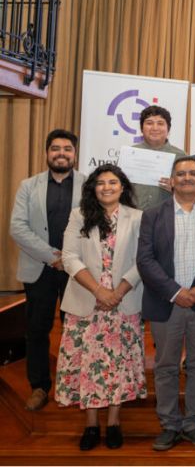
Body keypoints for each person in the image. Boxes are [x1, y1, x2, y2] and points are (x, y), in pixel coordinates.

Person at [56, 164, 146, 451]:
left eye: (113, 182)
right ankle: (91, 424)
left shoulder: (138, 217)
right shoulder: (79, 215)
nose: (107, 187)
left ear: (123, 187)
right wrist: (98, 291)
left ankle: (114, 422)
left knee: (118, 363)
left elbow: (143, 259)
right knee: (87, 363)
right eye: (101, 183)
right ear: (93, 188)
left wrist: (117, 292)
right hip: (87, 300)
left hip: (124, 300)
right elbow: (69, 257)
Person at [136, 156, 195, 451]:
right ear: (171, 181)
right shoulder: (152, 215)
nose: (187, 178)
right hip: (166, 302)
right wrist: (175, 292)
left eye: (193, 173)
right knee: (165, 366)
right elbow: (145, 260)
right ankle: (170, 424)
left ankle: (193, 423)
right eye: (181, 174)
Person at [10, 129, 85, 412]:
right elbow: (18, 227)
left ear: (75, 154)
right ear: (47, 153)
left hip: (77, 271)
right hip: (39, 268)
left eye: (67, 149)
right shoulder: (28, 186)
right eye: (55, 148)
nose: (61, 153)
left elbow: (94, 226)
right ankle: (39, 387)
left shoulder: (88, 185)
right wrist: (53, 257)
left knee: (75, 329)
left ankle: (75, 385)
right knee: (37, 329)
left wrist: (69, 259)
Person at [131, 105, 186, 211]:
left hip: (167, 216)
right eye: (149, 123)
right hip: (134, 216)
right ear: (141, 128)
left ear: (168, 129)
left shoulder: (182, 157)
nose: (155, 128)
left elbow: (189, 193)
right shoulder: (129, 154)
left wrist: (176, 188)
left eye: (160, 123)